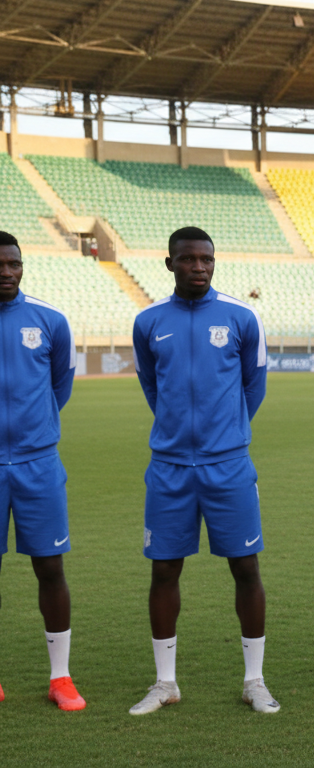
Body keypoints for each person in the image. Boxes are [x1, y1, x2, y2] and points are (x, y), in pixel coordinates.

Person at [129, 226, 277, 715]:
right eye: (189, 259)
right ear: (169, 263)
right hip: (169, 468)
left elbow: (253, 385)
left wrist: (226, 433)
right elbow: (152, 386)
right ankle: (164, 682)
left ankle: (254, 681)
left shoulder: (241, 317)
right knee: (164, 570)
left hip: (228, 466)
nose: (199, 267)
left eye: (207, 259)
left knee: (246, 568)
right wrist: (178, 431)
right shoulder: (149, 321)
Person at [0, 231, 84, 711]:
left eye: (14, 264)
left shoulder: (50, 320)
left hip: (38, 464)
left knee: (50, 568)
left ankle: (60, 677)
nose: (7, 272)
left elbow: (59, 385)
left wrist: (34, 429)